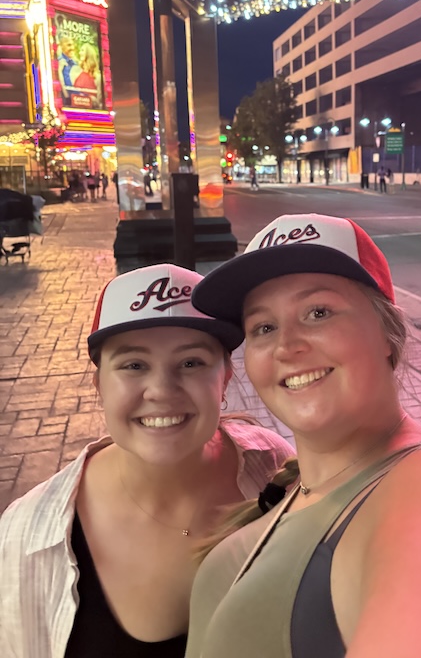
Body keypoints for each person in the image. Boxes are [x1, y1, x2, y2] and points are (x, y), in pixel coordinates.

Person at [186, 213, 421, 658]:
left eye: (318, 312)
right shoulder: (283, 491)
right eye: (263, 327)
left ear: (387, 333)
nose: (286, 346)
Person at [0, 263, 293, 657]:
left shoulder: (275, 466)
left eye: (191, 363)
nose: (160, 390)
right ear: (99, 384)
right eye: (134, 365)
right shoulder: (27, 538)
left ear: (224, 379)